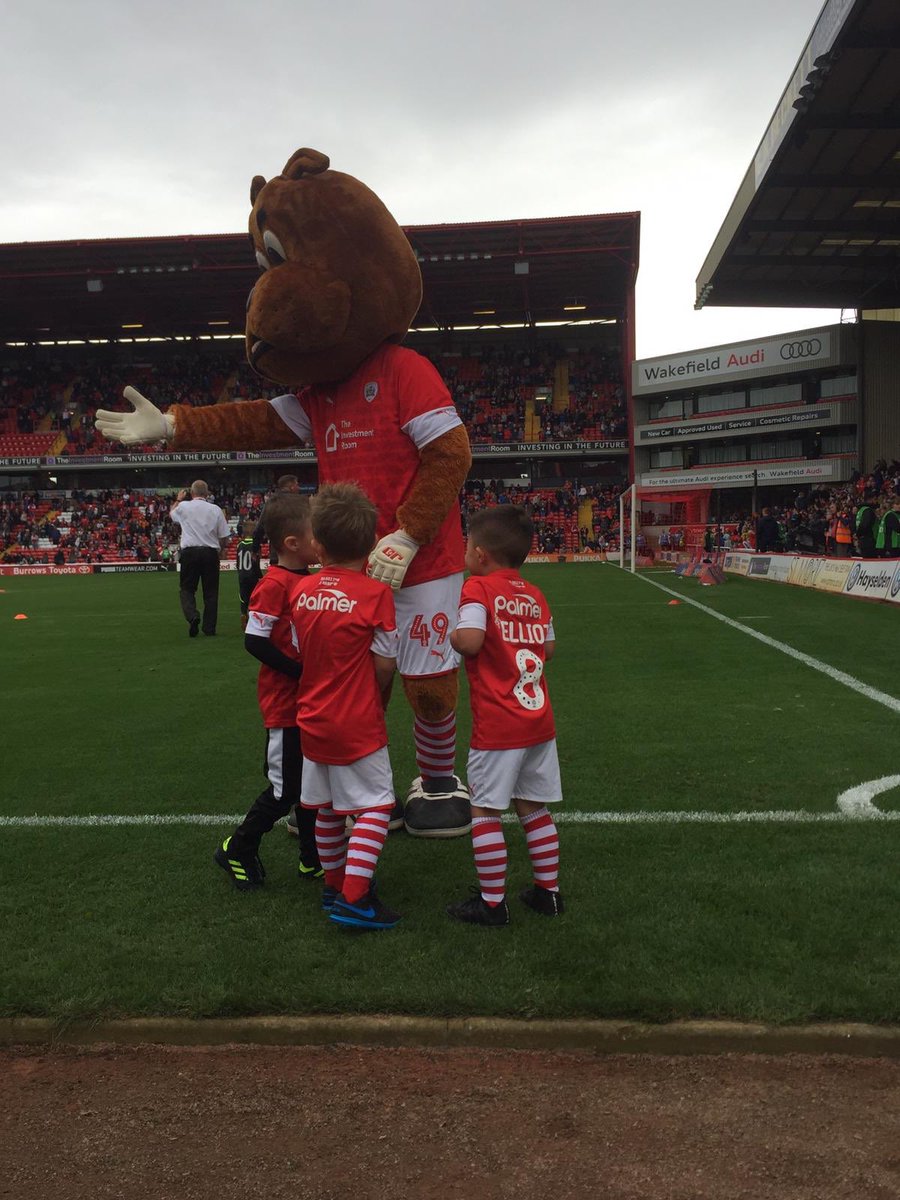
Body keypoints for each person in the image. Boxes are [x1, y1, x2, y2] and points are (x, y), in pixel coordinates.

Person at [447, 505, 563, 927]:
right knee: (533, 806)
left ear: (479, 555)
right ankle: (548, 893)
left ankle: (493, 903)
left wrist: (453, 634)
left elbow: (473, 642)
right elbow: (548, 650)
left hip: (499, 723)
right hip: (538, 720)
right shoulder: (535, 594)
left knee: (485, 810)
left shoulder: (476, 589)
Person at [293, 483, 401, 931]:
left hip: (312, 718)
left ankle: (334, 884)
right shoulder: (376, 596)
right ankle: (355, 898)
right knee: (377, 806)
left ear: (316, 544)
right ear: (374, 543)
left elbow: (302, 651)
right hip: (356, 720)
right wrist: (377, 701)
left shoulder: (301, 592)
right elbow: (385, 663)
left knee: (326, 808)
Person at [214, 493, 321, 889]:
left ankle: (312, 859)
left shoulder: (309, 580)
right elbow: (254, 641)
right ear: (292, 543)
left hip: (311, 704)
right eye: (317, 533)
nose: (323, 539)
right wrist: (300, 672)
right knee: (283, 791)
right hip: (285, 707)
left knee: (312, 788)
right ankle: (236, 848)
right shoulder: (275, 583)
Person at [170, 481, 231, 637]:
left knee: (187, 589)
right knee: (211, 592)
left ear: (191, 492)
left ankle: (192, 616)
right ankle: (209, 628)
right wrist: (220, 549)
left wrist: (178, 499)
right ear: (207, 493)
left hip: (189, 552)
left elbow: (172, 515)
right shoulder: (216, 509)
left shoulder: (184, 507)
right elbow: (224, 537)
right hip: (210, 552)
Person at [252, 475, 300, 567]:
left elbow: (260, 527)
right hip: (297, 555)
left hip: (277, 554)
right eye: (297, 484)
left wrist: (255, 549)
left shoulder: (271, 503)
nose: (299, 487)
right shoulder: (299, 502)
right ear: (292, 487)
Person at [236, 518, 262, 630]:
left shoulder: (239, 545)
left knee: (243, 597)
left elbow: (237, 563)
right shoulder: (255, 546)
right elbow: (256, 562)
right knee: (254, 597)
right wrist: (260, 576)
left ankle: (243, 614)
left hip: (242, 575)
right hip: (253, 575)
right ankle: (252, 618)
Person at [855, 492, 877, 558]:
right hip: (869, 540)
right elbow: (864, 525)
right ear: (871, 499)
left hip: (862, 539)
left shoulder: (861, 510)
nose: (876, 501)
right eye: (875, 499)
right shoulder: (868, 510)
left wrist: (858, 534)